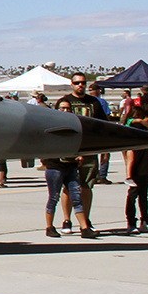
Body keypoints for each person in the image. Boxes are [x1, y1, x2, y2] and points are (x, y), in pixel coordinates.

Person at [45, 97, 96, 239]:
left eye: (68, 108)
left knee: (76, 196)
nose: (65, 110)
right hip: (55, 166)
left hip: (71, 165)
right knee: (53, 197)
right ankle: (49, 227)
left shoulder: (75, 124)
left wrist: (79, 154)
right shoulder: (51, 124)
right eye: (62, 108)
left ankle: (84, 228)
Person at [62, 74, 106, 229]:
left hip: (88, 150)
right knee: (68, 187)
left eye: (83, 83)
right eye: (77, 83)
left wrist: (103, 149)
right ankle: (67, 220)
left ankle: (85, 220)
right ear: (72, 84)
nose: (80, 85)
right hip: (69, 151)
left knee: (87, 186)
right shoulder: (64, 102)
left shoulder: (94, 103)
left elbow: (103, 126)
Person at [124, 106, 148, 233]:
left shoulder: (147, 126)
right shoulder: (138, 127)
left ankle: (145, 221)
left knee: (144, 195)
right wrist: (129, 172)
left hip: (145, 164)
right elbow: (131, 150)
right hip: (137, 165)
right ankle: (131, 223)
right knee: (133, 195)